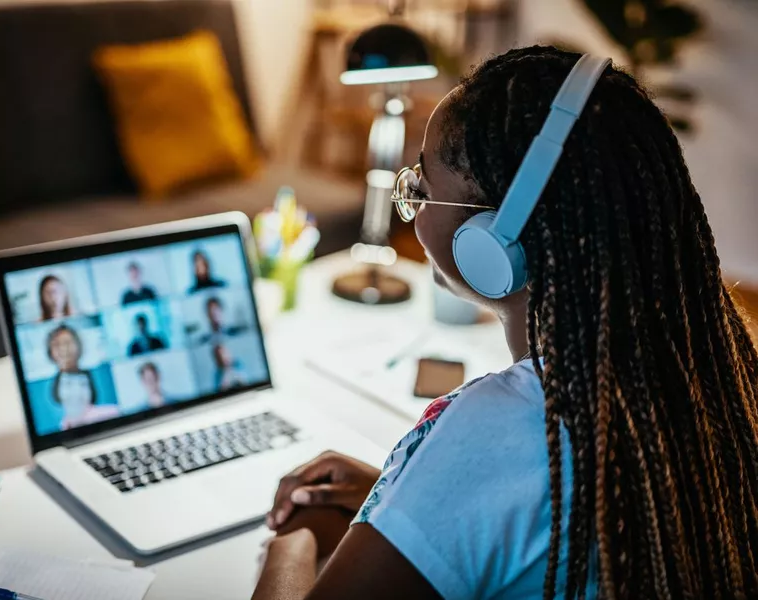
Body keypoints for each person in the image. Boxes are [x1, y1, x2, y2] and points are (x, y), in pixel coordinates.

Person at [254, 47, 758, 600]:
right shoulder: (715, 379)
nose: (414, 206)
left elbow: (505, 471)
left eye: (421, 188)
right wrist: (409, 507)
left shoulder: (502, 425)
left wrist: (297, 536)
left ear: (498, 241)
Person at [46, 324, 118, 430]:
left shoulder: (111, 412)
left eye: (68, 343)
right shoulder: (64, 426)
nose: (64, 349)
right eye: (57, 345)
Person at [53, 370, 119, 430]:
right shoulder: (63, 425)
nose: (77, 391)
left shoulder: (112, 413)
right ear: (57, 390)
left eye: (83, 384)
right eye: (68, 384)